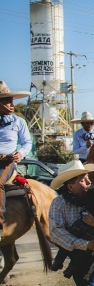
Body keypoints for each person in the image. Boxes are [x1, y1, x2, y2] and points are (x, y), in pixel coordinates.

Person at [0, 81, 31, 241]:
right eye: (7, 100)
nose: (12, 104)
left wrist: (20, 153)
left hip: (7, 164)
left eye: (12, 100)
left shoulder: (19, 122)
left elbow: (27, 143)